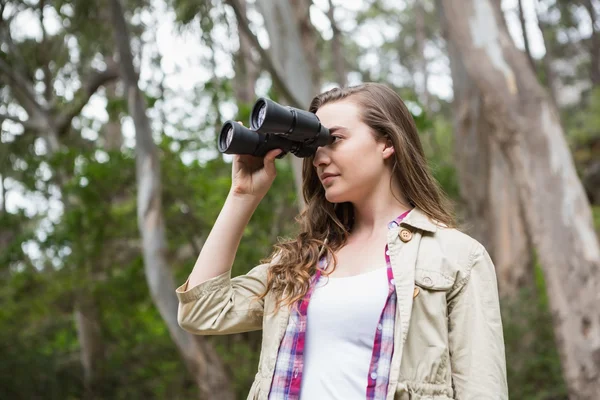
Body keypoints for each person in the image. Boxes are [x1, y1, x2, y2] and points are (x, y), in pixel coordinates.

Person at [176, 83, 508, 400]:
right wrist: (242, 194)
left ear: (386, 143)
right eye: (315, 145)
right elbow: (204, 310)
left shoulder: (457, 257)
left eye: (334, 139)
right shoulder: (303, 261)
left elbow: (482, 389)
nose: (319, 158)